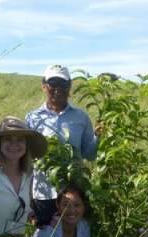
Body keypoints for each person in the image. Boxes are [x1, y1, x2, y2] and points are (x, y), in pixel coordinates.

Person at [26, 64, 98, 227]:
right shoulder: (32, 118)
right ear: (44, 86)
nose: (58, 88)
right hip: (44, 192)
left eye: (63, 84)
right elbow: (28, 159)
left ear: (70, 87)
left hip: (73, 192)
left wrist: (98, 137)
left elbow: (89, 154)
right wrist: (26, 195)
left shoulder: (81, 117)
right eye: (53, 83)